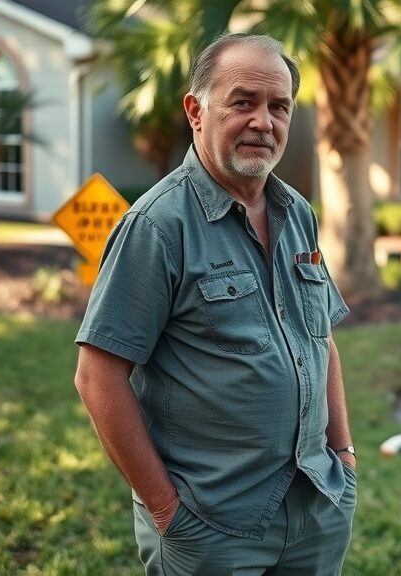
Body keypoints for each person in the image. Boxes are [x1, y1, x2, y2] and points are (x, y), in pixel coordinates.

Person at [73, 33, 357, 575]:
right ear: (196, 111)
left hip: (316, 507)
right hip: (211, 526)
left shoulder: (297, 213)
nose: (262, 122)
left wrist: (343, 457)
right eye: (243, 102)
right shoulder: (157, 227)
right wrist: (166, 509)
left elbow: (320, 341)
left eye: (279, 107)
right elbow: (97, 376)